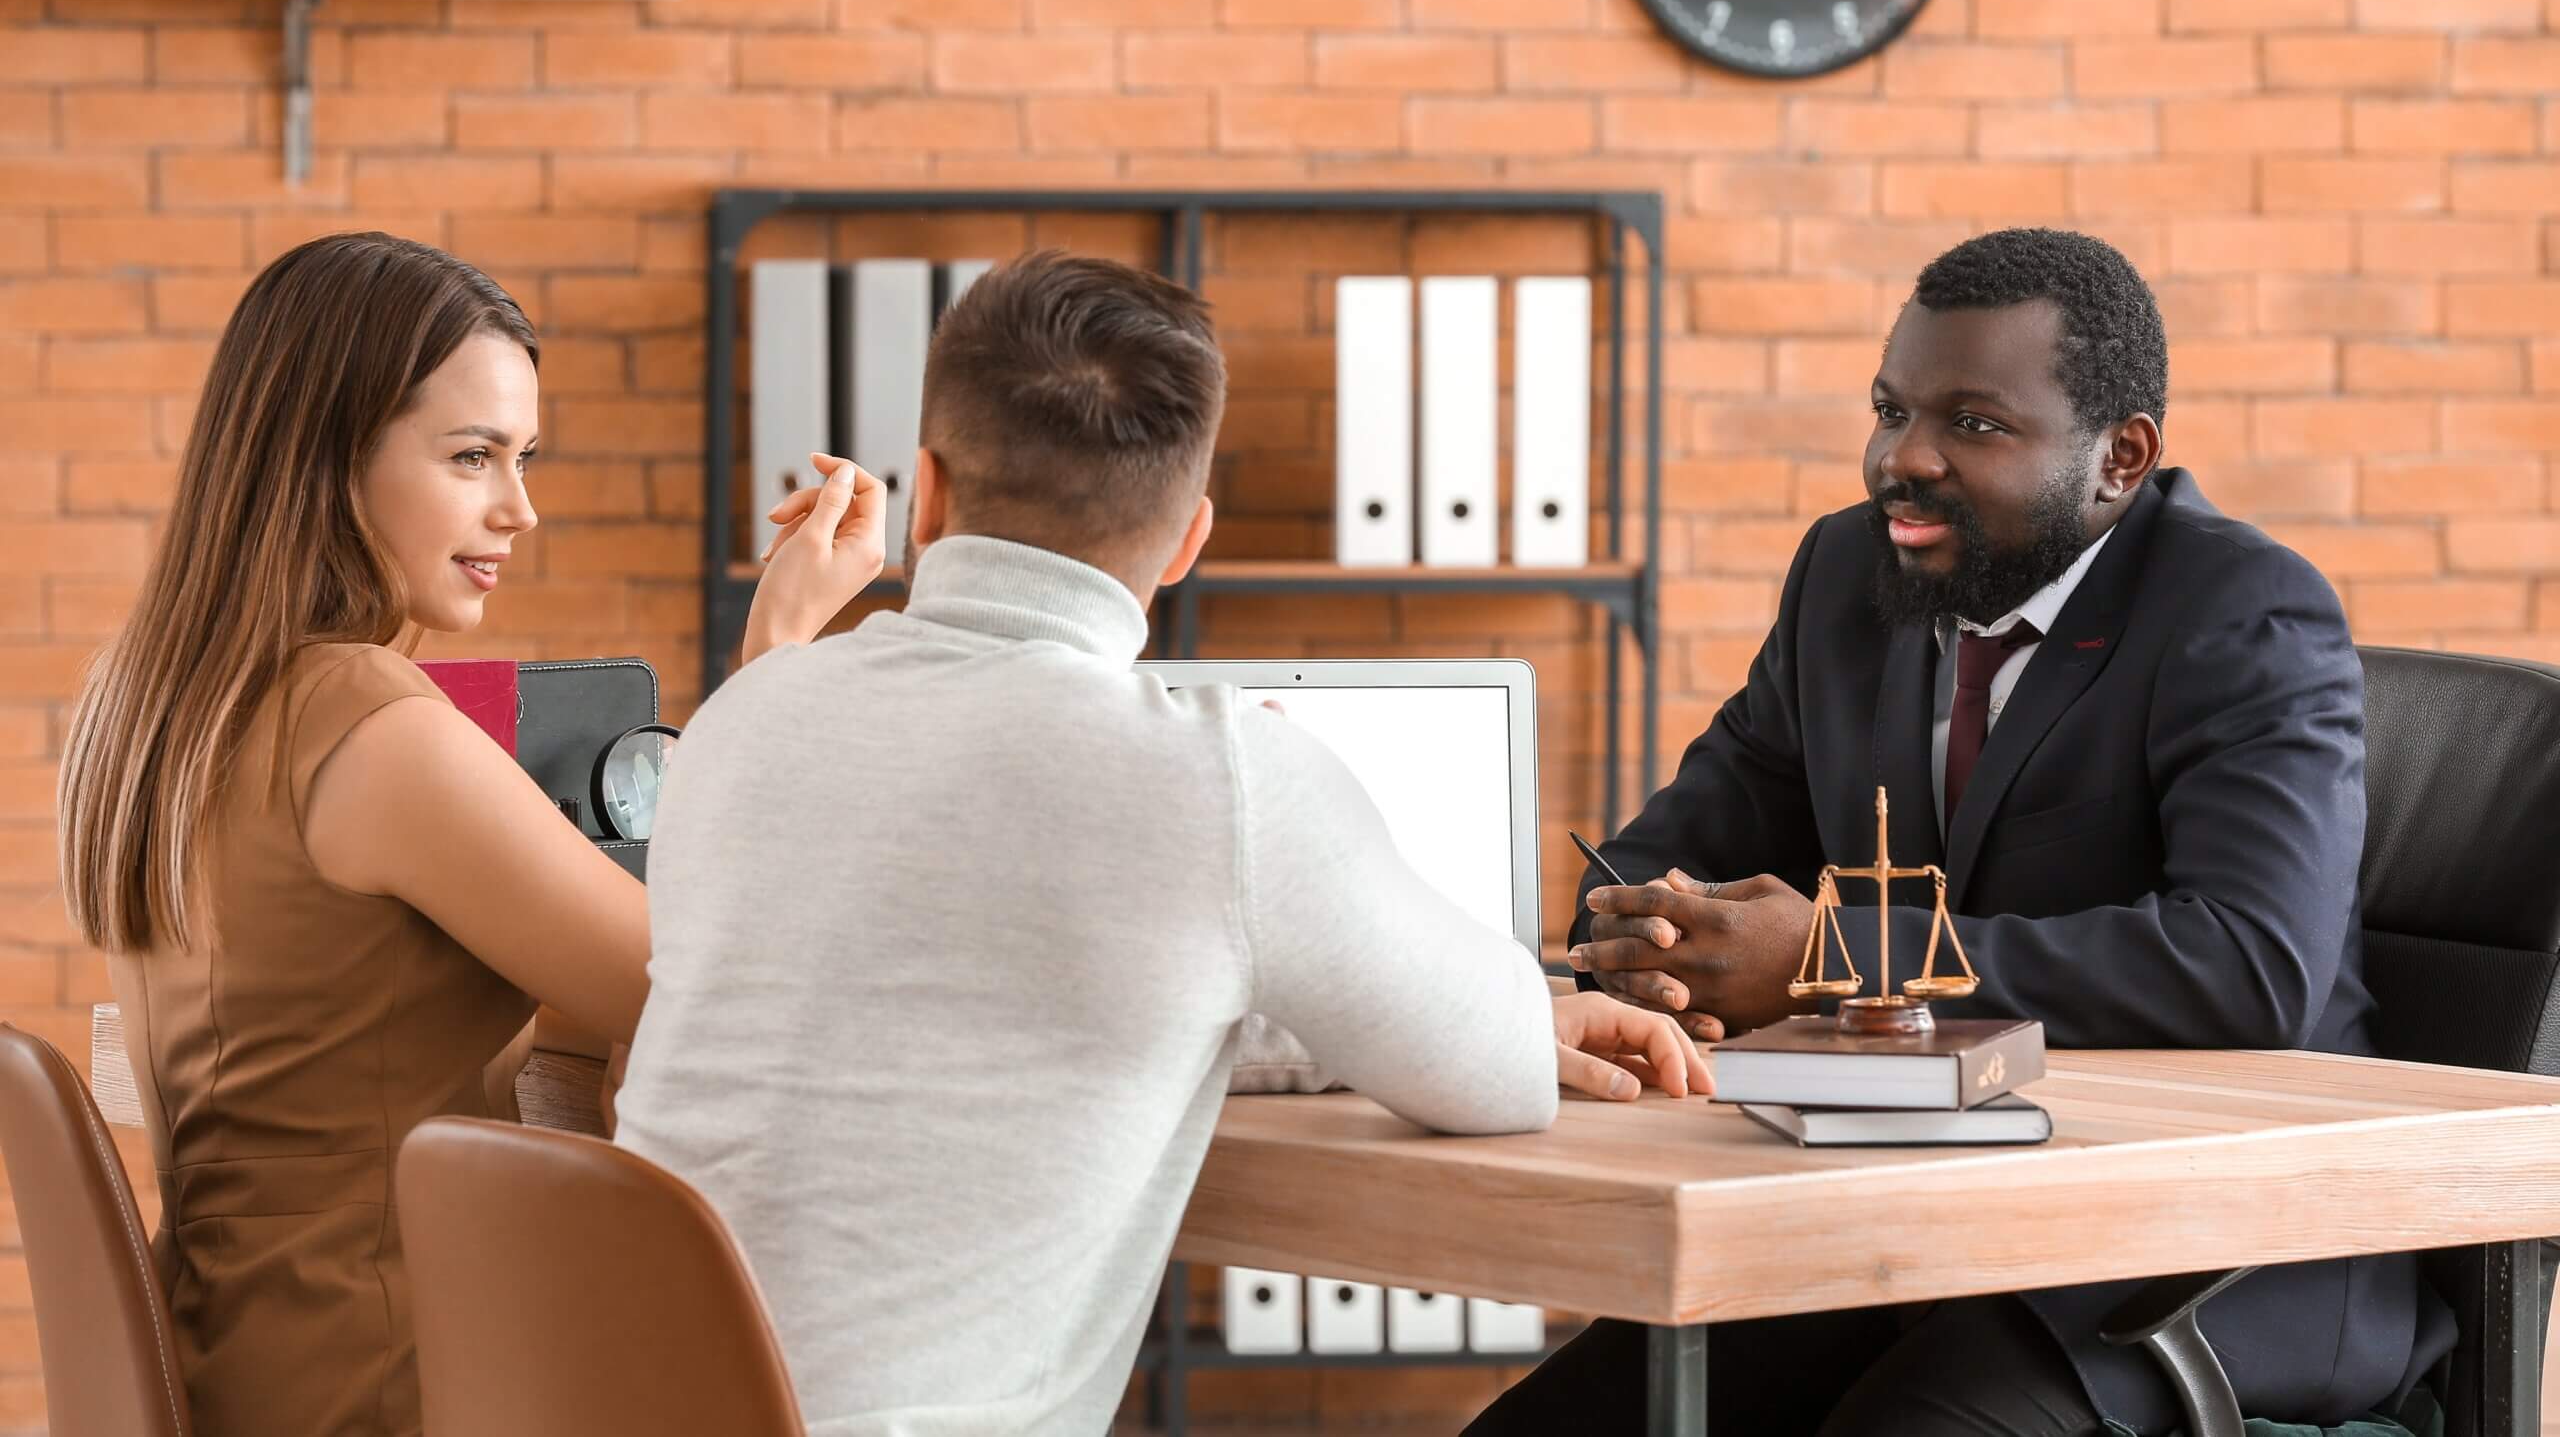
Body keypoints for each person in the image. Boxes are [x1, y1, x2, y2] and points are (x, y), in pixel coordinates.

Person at [612, 249, 1710, 1435]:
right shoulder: (1217, 774)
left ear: (923, 491)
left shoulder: (740, 719)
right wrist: (1505, 1007)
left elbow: (966, 1002)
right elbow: (1495, 1078)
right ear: (1188, 541)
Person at [1470, 228, 2448, 1437]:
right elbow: (1678, 841)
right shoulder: (1847, 573)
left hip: (2205, 1256)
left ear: (2119, 458)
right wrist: (1642, 934)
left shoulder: (2240, 609)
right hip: (1911, 1215)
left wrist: (1837, 955)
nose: (1901, 457)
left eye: (1971, 424)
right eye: (1890, 409)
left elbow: (2251, 966)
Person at [55, 232, 878, 1437]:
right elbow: (705, 994)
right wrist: (782, 654)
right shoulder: (369, 725)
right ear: (326, 459)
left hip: (245, 1348)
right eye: (471, 456)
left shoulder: (153, 699)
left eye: (523, 457)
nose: (520, 508)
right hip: (387, 1374)